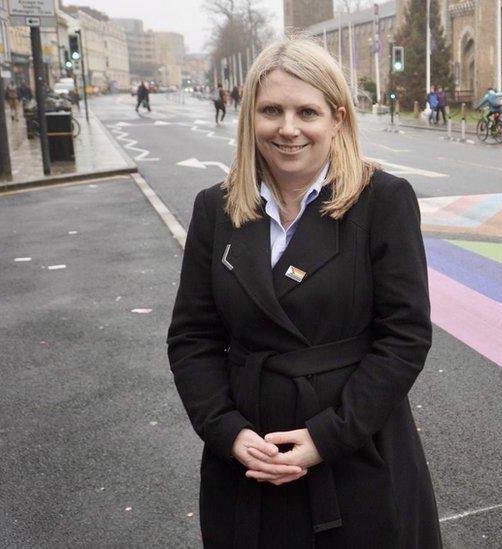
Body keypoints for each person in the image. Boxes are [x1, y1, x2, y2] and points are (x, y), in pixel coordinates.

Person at [167, 35, 441, 548]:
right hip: (250, 458)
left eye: (307, 112)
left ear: (336, 119)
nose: (288, 129)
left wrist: (326, 438)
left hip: (357, 452)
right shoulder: (217, 209)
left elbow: (404, 337)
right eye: (271, 110)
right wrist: (227, 431)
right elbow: (193, 338)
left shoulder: (383, 201)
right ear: (250, 117)